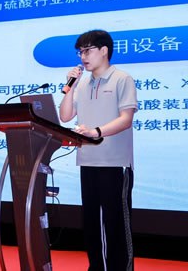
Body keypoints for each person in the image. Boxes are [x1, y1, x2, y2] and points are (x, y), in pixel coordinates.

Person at [58, 29, 138, 271]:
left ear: (104, 50)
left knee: (115, 225)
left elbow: (126, 119)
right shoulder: (82, 84)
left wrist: (97, 132)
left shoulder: (122, 79)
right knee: (92, 224)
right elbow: (65, 116)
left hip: (114, 162)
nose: (83, 56)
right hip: (88, 160)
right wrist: (70, 87)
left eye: (87, 50)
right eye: (80, 52)